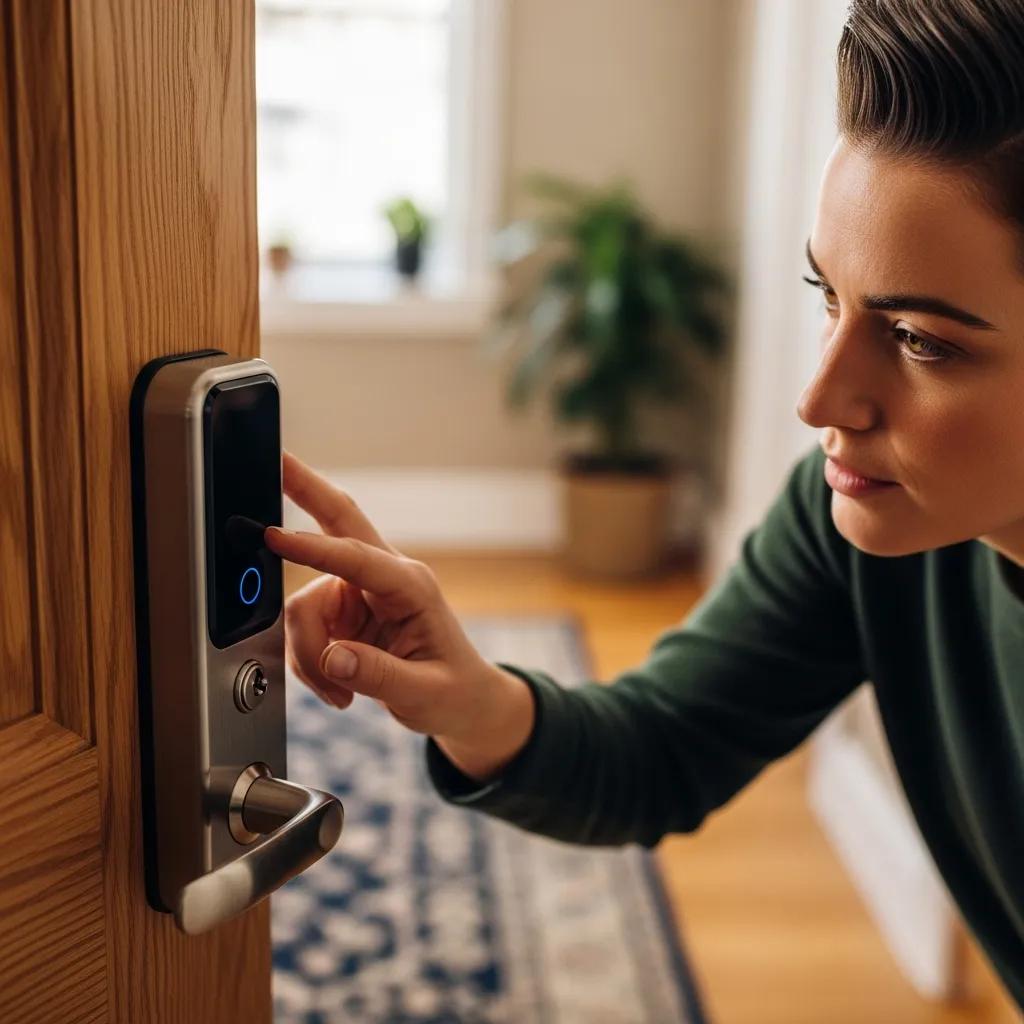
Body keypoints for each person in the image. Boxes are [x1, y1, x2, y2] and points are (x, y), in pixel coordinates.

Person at [263, 0, 1024, 1010]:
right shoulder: (864, 516)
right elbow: (661, 748)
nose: (816, 400)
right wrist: (472, 697)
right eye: (826, 298)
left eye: (922, 340)